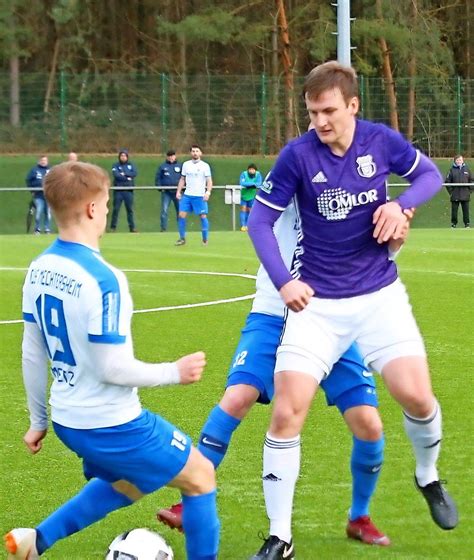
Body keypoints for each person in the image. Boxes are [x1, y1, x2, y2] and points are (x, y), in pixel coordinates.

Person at [247, 61, 458, 558]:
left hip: (379, 297)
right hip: (317, 307)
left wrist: (400, 206)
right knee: (285, 412)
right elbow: (259, 222)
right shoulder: (297, 156)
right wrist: (285, 282)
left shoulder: (380, 141)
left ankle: (427, 476)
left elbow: (429, 176)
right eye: (312, 112)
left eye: (329, 111)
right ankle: (280, 536)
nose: (320, 121)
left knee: (417, 398)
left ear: (353, 106)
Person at [158, 204, 415, 553]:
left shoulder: (353, 184)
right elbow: (261, 221)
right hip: (272, 313)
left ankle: (359, 517)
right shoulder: (289, 176)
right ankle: (190, 505)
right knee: (237, 397)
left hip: (329, 319)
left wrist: (395, 239)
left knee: (368, 424)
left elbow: (374, 251)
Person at [4, 161, 219, 560]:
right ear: (91, 209)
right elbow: (111, 368)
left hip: (70, 421)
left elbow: (31, 352)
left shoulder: (38, 269)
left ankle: (36, 542)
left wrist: (38, 421)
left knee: (132, 482)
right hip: (111, 424)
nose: (105, 212)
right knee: (201, 475)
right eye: (104, 204)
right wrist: (175, 372)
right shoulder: (104, 280)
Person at [175, 145, 212, 246]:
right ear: (190, 153)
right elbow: (182, 179)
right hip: (187, 195)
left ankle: (205, 239)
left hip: (199, 195)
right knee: (181, 215)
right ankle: (182, 238)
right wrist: (178, 191)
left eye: (197, 151)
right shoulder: (186, 164)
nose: (195, 153)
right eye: (193, 151)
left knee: (203, 216)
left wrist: (207, 192)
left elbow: (209, 181)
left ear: (200, 153)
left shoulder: (205, 166)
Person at [110, 149, 138, 233]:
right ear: (119, 157)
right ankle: (113, 228)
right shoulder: (115, 165)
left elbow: (134, 173)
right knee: (116, 209)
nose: (123, 157)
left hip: (128, 191)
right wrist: (127, 177)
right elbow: (117, 175)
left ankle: (132, 228)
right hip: (118, 191)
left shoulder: (131, 165)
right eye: (121, 156)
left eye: (124, 156)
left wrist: (124, 174)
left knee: (130, 210)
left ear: (127, 157)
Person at [156, 150, 181, 232]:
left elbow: (184, 178)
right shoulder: (162, 166)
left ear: (175, 156)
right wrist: (160, 187)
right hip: (166, 192)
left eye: (172, 156)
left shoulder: (180, 166)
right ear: (167, 157)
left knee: (180, 211)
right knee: (164, 210)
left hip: (177, 192)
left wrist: (183, 188)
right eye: (169, 156)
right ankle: (163, 228)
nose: (171, 157)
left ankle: (181, 228)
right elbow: (158, 178)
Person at [25, 156, 51, 235]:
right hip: (38, 195)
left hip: (48, 195)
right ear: (38, 161)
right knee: (39, 211)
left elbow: (56, 180)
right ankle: (37, 229)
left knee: (48, 213)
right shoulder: (34, 170)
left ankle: (47, 229)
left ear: (47, 161)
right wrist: (32, 190)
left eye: (45, 160)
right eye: (42, 160)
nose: (43, 162)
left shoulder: (51, 170)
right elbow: (28, 180)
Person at [445, 154, 472, 228]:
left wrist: (469, 191)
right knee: (454, 211)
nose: (459, 161)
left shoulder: (467, 169)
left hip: (465, 194)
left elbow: (472, 181)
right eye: (457, 160)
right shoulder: (451, 170)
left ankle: (467, 224)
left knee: (466, 211)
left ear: (462, 161)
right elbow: (447, 182)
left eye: (460, 160)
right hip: (455, 194)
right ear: (455, 161)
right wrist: (451, 192)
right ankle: (453, 224)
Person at [238, 163, 263, 231]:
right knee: (243, 209)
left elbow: (259, 183)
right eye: (250, 169)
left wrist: (254, 185)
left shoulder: (258, 174)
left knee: (250, 210)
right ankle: (243, 225)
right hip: (244, 194)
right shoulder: (244, 174)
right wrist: (251, 184)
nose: (251, 171)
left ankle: (249, 225)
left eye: (253, 169)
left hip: (252, 195)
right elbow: (242, 183)